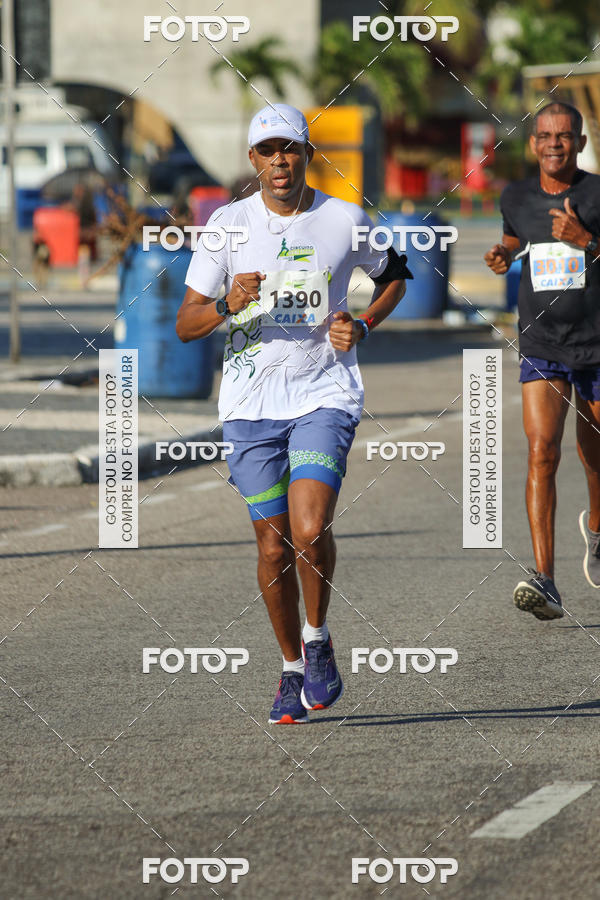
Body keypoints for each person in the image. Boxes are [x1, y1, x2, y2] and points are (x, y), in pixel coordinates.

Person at [177, 103, 412, 722]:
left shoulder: (343, 218)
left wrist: (361, 322)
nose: (280, 162)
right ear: (252, 161)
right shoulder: (226, 227)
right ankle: (289, 667)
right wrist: (229, 302)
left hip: (323, 393)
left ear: (308, 155)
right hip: (250, 405)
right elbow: (185, 324)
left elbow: (396, 277)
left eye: (291, 149)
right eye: (268, 151)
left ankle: (317, 637)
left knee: (309, 529)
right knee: (274, 546)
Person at [484, 101, 600, 621]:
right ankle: (546, 579)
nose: (554, 143)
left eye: (564, 135)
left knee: (594, 452)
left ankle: (596, 531)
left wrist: (587, 242)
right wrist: (504, 253)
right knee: (541, 452)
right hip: (542, 342)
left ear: (579, 141)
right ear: (533, 144)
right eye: (545, 135)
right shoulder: (516, 196)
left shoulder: (598, 193)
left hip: (596, 342)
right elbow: (517, 234)